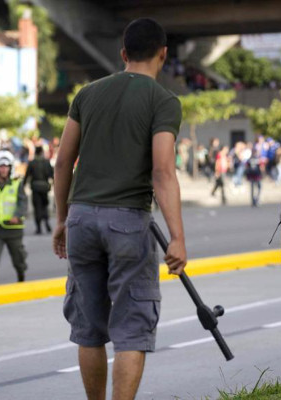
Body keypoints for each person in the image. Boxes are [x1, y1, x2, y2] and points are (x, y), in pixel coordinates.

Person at [52, 18, 187, 400]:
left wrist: (62, 219)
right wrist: (177, 237)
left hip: (80, 218)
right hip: (127, 221)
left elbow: (63, 163)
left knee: (89, 329)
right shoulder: (163, 101)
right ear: (163, 54)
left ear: (123, 54)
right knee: (131, 328)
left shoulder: (87, 94)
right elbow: (163, 172)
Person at [0, 151, 28, 286]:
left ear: (10, 168)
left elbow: (23, 202)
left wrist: (17, 215)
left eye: (6, 166)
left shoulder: (16, 184)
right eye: (0, 166)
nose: (3, 169)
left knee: (19, 260)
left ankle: (21, 280)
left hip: (14, 229)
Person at [24, 146, 54, 234]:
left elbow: (27, 175)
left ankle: (39, 227)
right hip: (45, 187)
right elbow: (51, 175)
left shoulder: (32, 163)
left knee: (37, 207)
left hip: (35, 188)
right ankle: (47, 223)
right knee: (44, 206)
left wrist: (23, 185)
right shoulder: (46, 162)